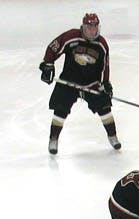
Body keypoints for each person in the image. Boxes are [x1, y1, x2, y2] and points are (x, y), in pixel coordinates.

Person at [39, 13, 120, 155]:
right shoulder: (71, 36)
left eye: (94, 28)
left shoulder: (102, 44)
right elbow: (53, 47)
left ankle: (112, 136)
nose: (91, 31)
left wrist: (105, 84)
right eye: (89, 28)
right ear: (83, 27)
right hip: (68, 81)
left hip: (91, 83)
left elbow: (104, 66)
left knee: (105, 107)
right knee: (60, 109)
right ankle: (53, 139)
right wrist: (48, 64)